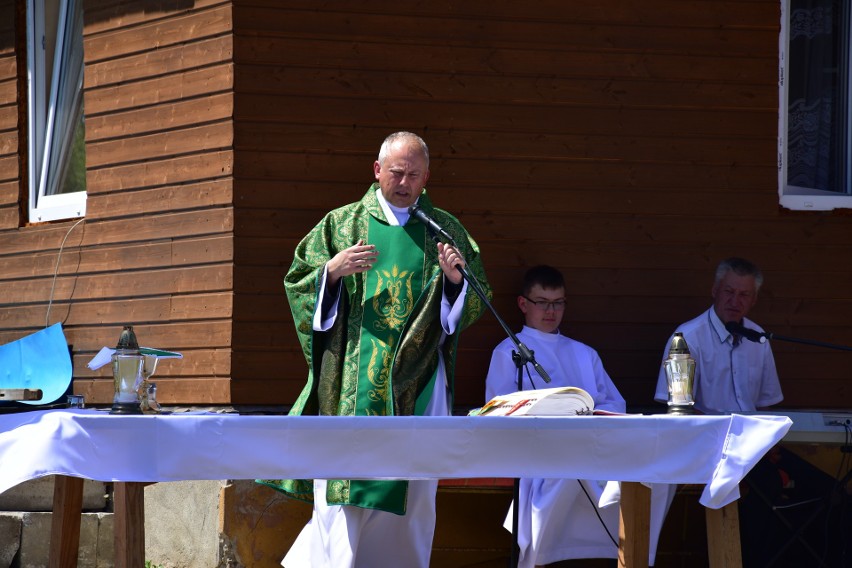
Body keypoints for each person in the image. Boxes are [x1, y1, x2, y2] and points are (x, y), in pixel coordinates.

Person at [259, 131, 490, 568]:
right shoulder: (341, 224)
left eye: (414, 175)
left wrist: (456, 282)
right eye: (396, 173)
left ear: (427, 177)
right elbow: (298, 284)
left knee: (415, 494)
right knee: (345, 497)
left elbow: (474, 300)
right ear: (377, 170)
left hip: (419, 381)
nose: (404, 183)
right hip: (353, 381)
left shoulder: (444, 230)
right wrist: (331, 272)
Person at [485, 265, 671, 568]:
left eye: (558, 303)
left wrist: (592, 416)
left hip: (595, 446)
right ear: (523, 304)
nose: (551, 311)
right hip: (543, 453)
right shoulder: (509, 353)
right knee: (565, 474)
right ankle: (545, 558)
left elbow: (615, 405)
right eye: (542, 302)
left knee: (655, 473)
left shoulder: (585, 353)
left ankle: (630, 554)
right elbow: (498, 412)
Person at [653, 257, 782, 413]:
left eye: (744, 295)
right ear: (715, 290)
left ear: (754, 300)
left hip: (751, 435)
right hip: (706, 435)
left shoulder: (758, 338)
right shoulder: (686, 339)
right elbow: (679, 408)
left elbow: (764, 404)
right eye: (729, 292)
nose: (735, 301)